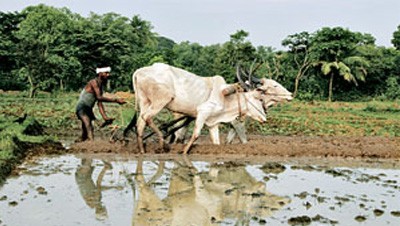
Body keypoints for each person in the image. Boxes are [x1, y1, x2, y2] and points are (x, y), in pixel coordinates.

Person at [76, 66, 126, 142]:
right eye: (106, 73)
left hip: (88, 109)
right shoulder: (93, 82)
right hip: (82, 108)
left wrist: (105, 117)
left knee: (85, 131)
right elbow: (99, 97)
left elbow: (99, 103)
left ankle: (80, 144)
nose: (108, 75)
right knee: (88, 126)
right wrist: (115, 100)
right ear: (100, 73)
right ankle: (92, 144)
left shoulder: (100, 86)